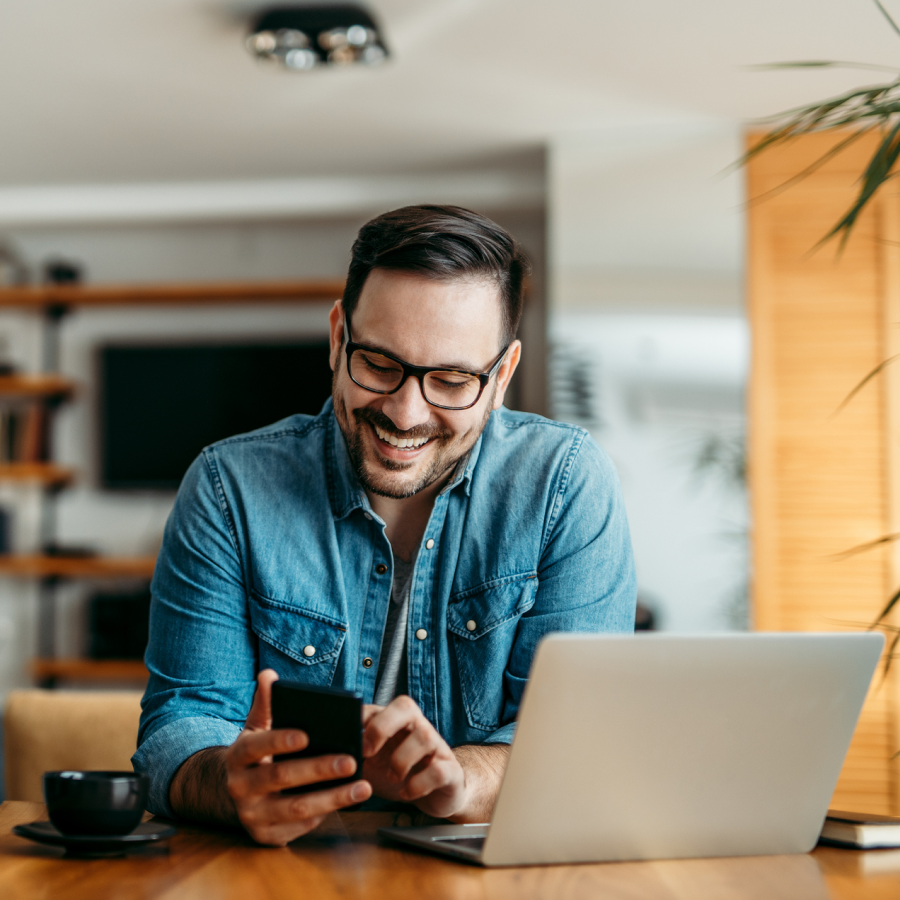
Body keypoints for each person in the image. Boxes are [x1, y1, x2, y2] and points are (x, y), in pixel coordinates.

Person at [132, 205, 636, 846]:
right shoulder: (228, 488)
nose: (405, 412)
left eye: (452, 380)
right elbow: (181, 727)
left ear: (501, 375)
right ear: (339, 337)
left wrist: (461, 780)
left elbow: (579, 740)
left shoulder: (566, 484)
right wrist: (229, 783)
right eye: (378, 363)